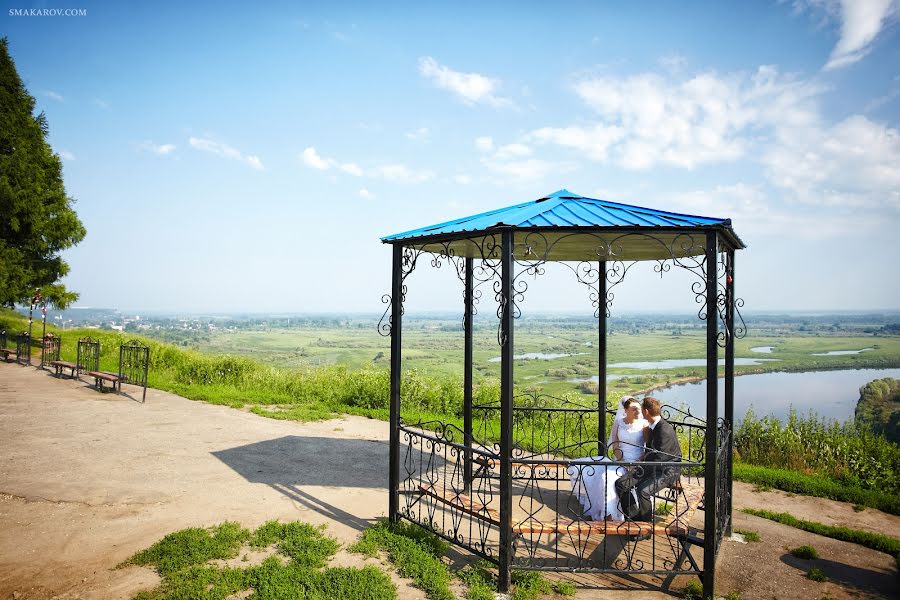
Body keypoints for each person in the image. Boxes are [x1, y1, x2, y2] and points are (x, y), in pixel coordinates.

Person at [569, 396, 648, 521]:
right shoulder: (619, 422)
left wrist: (637, 463)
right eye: (634, 409)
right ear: (626, 410)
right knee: (605, 478)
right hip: (621, 461)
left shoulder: (644, 424)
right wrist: (622, 461)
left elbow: (647, 448)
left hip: (638, 463)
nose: (638, 411)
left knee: (617, 481)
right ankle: (608, 514)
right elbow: (615, 444)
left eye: (639, 408)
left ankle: (623, 514)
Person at [614, 396, 682, 523]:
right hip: (654, 467)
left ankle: (645, 529)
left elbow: (660, 458)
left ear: (645, 411)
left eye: (641, 410)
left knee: (643, 491)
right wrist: (640, 465)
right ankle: (635, 520)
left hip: (667, 472)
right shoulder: (654, 426)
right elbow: (651, 453)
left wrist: (638, 468)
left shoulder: (664, 430)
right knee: (621, 484)